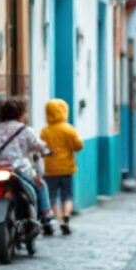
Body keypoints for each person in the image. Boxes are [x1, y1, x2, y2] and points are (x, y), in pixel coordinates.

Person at [0, 98, 56, 234]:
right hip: (20, 169)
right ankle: (46, 214)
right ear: (21, 114)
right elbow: (37, 145)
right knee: (40, 185)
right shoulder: (25, 130)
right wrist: (48, 151)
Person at [40, 98, 84, 236]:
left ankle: (53, 220)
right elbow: (79, 146)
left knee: (51, 197)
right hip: (66, 169)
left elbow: (41, 148)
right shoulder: (68, 129)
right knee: (67, 196)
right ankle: (65, 219)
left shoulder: (45, 131)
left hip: (50, 169)